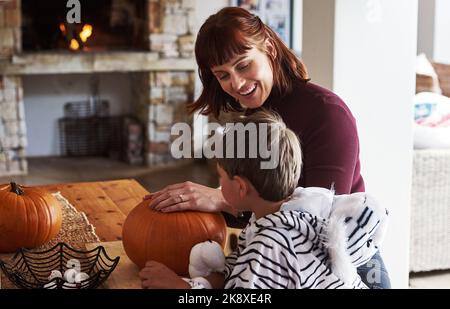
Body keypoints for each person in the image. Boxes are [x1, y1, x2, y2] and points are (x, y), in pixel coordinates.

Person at [146, 7, 390, 288]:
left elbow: (315, 224)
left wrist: (220, 199)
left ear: (270, 48)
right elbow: (260, 213)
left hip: (350, 270)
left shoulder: (328, 113)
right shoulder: (254, 117)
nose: (236, 83)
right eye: (222, 75)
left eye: (243, 65)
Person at [139, 111, 388, 289]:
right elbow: (241, 275)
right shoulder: (283, 216)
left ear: (240, 187)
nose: (218, 185)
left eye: (221, 177)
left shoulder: (271, 242)